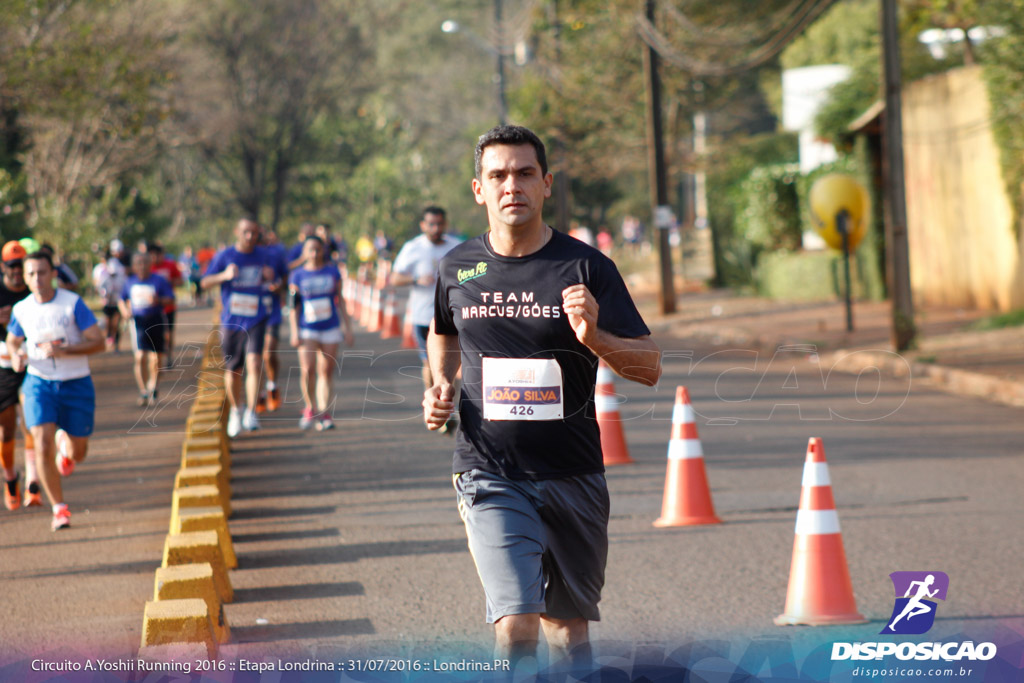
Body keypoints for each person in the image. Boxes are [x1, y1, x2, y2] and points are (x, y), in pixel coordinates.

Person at [423, 125, 661, 670]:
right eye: (498, 175)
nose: (513, 186)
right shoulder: (457, 267)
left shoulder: (585, 268)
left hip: (574, 471)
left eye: (525, 173)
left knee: (568, 630)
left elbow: (649, 368)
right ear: (478, 189)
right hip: (489, 469)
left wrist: (595, 338)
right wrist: (439, 385)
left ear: (546, 183)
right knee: (516, 623)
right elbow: (443, 331)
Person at [6, 250, 106, 531]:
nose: (37, 278)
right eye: (31, 274)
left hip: (76, 383)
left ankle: (67, 451)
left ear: (53, 274)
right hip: (38, 383)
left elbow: (99, 343)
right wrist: (15, 355)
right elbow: (14, 341)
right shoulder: (21, 309)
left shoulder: (71, 304)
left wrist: (66, 350)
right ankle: (59, 509)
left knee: (79, 452)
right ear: (25, 278)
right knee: (42, 442)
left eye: (42, 272)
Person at [201, 219, 282, 438]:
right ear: (237, 232)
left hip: (257, 317)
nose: (250, 236)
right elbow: (204, 282)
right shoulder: (225, 256)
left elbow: (279, 281)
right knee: (233, 370)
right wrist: (224, 276)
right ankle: (236, 411)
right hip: (232, 320)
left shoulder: (265, 256)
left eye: (254, 233)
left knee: (255, 362)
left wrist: (272, 278)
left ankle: (251, 410)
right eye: (246, 232)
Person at [389, 206, 461, 396]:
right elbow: (394, 278)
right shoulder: (413, 247)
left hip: (451, 316)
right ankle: (433, 399)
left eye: (439, 224)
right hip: (423, 316)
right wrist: (415, 280)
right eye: (431, 224)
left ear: (445, 224)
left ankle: (448, 404)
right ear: (423, 225)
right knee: (430, 362)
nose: (436, 228)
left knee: (452, 364)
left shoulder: (456, 246)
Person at [288, 236, 354, 430]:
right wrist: (294, 331)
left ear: (323, 251)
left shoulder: (332, 272)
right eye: (311, 250)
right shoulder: (297, 276)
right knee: (307, 370)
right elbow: (294, 307)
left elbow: (340, 300)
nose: (315, 254)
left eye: (318, 249)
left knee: (326, 371)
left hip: (330, 327)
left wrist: (347, 328)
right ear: (305, 252)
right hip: (307, 329)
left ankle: (324, 412)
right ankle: (310, 407)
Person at [0, 242, 38, 510]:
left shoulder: (32, 290)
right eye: (11, 266)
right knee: (6, 429)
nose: (15, 271)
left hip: (30, 363)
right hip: (2, 365)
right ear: (3, 266)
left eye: (19, 266)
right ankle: (11, 477)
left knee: (32, 423)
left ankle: (33, 483)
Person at [119, 252, 174, 407]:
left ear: (150, 264)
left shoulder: (159, 280)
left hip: (155, 320)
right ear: (134, 266)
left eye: (145, 262)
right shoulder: (130, 282)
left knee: (156, 358)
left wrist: (159, 300)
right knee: (140, 356)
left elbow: (170, 298)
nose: (142, 266)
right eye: (138, 263)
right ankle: (143, 391)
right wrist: (125, 311)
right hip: (138, 323)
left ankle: (154, 386)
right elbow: (121, 299)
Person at [256, 227, 288, 413]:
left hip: (271, 312)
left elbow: (285, 277)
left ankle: (272, 386)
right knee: (255, 357)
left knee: (268, 354)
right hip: (251, 314)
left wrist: (279, 286)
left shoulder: (275, 256)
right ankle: (259, 394)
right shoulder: (242, 258)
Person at [148, 243, 182, 364]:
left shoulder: (170, 265)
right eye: (152, 256)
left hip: (168, 306)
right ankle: (157, 358)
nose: (155, 258)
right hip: (152, 309)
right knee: (156, 334)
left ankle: (169, 355)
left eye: (158, 255)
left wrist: (169, 280)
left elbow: (180, 281)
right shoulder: (147, 268)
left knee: (168, 333)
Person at [92, 243, 128, 352]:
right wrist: (104, 293)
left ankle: (116, 344)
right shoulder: (101, 272)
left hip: (118, 301)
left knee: (116, 322)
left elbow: (124, 284)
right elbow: (98, 286)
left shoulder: (119, 271)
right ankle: (108, 337)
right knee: (108, 321)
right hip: (107, 301)